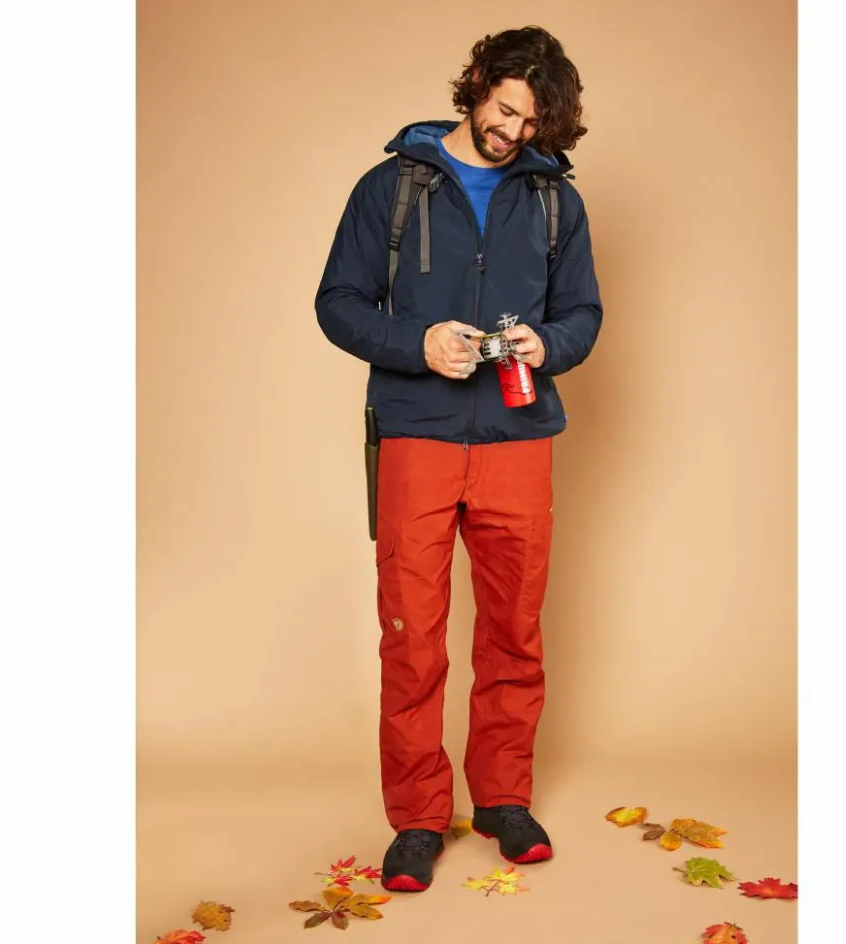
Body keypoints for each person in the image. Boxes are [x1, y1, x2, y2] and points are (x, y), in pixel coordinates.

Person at [316, 25, 602, 892]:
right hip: (417, 434)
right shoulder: (391, 187)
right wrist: (417, 342)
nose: (513, 132)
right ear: (476, 82)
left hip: (519, 439)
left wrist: (547, 344)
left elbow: (583, 315)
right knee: (411, 636)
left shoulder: (555, 201)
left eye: (532, 123)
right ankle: (416, 817)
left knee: (515, 630)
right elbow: (337, 303)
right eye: (506, 110)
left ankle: (504, 800)